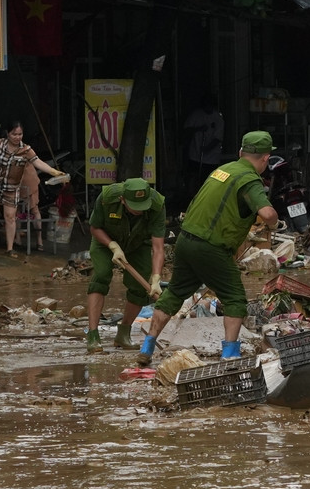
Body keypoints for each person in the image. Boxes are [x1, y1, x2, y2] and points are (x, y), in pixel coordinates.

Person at [138, 131, 280, 366]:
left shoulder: (222, 171)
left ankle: (147, 346)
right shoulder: (249, 179)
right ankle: (230, 356)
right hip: (211, 247)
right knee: (235, 298)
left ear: (240, 153)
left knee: (174, 293)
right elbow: (267, 213)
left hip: (186, 240)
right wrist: (275, 223)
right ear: (265, 159)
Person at [85, 178, 167, 354]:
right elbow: (95, 228)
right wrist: (113, 246)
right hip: (105, 241)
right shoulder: (107, 198)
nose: (139, 211)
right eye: (135, 206)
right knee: (101, 276)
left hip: (138, 244)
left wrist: (156, 278)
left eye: (142, 206)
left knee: (139, 287)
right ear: (122, 199)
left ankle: (123, 334)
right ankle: (93, 336)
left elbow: (158, 247)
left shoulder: (157, 205)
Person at [0, 121, 66, 257]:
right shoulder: (0, 144)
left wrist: (54, 172)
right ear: (8, 133)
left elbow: (38, 162)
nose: (17, 137)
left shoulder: (26, 150)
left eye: (20, 134)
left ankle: (9, 248)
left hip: (12, 187)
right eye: (14, 134)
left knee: (10, 217)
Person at [183, 94, 225, 190]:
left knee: (208, 179)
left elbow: (218, 138)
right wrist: (198, 129)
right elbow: (186, 130)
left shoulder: (218, 118)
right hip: (195, 154)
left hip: (212, 157)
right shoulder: (196, 115)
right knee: (193, 177)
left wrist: (207, 148)